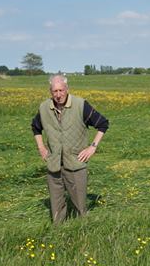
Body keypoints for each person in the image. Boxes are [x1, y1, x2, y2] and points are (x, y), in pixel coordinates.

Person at [31, 74, 109, 224]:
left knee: (80, 208)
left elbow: (103, 124)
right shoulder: (44, 108)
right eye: (55, 91)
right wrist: (41, 147)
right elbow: (35, 127)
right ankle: (59, 234)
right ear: (50, 91)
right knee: (56, 210)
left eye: (61, 90)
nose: (58, 95)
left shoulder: (81, 105)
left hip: (76, 163)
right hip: (54, 165)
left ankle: (82, 232)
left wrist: (92, 147)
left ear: (67, 89)